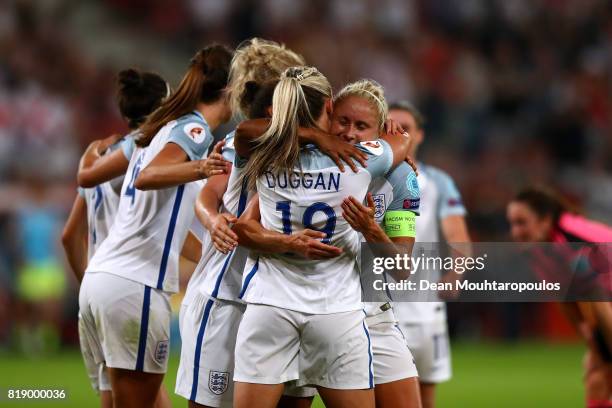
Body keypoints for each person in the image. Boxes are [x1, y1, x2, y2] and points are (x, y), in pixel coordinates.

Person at [234, 78, 423, 408]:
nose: (349, 133)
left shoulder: (399, 178)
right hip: (319, 311)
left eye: (362, 126)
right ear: (328, 116)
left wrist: (371, 231)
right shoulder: (298, 158)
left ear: (380, 132)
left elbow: (402, 269)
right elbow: (249, 225)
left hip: (372, 317)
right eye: (343, 122)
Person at [77, 44, 233, 408]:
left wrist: (217, 254)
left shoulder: (160, 130)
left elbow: (169, 232)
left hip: (105, 279)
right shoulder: (194, 131)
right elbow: (148, 177)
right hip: (136, 285)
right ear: (230, 89)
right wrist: (201, 168)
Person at [62, 68, 169, 408]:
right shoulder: (146, 158)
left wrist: (88, 283)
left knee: (117, 400)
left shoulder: (100, 159)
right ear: (165, 106)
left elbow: (69, 236)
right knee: (144, 396)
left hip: (94, 294)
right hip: (129, 287)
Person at [388, 101, 471, 408]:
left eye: (405, 128)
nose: (397, 134)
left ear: (419, 135)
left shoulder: (437, 182)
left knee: (424, 398)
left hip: (424, 310)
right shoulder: (365, 176)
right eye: (389, 127)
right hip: (376, 308)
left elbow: (458, 235)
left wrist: (455, 274)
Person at [507, 187, 612, 408]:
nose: (515, 232)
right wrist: (593, 345)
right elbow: (565, 297)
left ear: (545, 221)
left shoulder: (573, 242)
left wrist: (603, 356)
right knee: (597, 380)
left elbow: (599, 303)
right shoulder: (538, 249)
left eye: (522, 223)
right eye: (512, 224)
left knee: (601, 375)